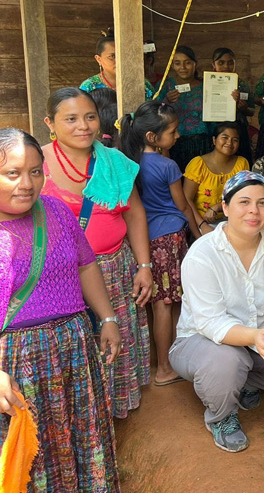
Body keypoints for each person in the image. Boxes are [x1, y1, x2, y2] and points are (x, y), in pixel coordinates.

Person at [0, 127, 121, 492]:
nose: (26, 184)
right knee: (29, 456)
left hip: (74, 348)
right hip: (14, 364)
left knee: (83, 438)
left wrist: (108, 318)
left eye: (35, 172)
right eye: (12, 173)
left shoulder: (54, 211)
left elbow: (85, 265)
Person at [169, 171, 264, 453]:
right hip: (202, 340)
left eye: (263, 203)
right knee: (227, 360)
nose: (254, 210)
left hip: (263, 331)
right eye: (244, 202)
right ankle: (221, 415)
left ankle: (243, 380)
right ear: (226, 207)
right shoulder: (202, 254)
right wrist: (253, 337)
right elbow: (211, 322)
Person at [41, 87, 152, 418]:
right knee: (74, 345)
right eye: (71, 119)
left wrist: (144, 265)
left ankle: (113, 407)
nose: (83, 126)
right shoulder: (37, 164)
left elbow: (135, 213)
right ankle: (79, 415)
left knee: (114, 338)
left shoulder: (115, 162)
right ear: (50, 123)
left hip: (114, 269)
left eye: (90, 117)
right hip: (59, 277)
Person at [120, 101, 202, 386]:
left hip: (143, 241)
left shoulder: (129, 164)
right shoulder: (168, 165)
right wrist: (199, 235)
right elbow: (183, 205)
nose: (178, 136)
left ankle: (161, 360)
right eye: (173, 131)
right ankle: (166, 368)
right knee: (167, 304)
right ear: (152, 137)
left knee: (157, 302)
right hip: (169, 240)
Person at [183, 122, 249, 234]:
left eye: (235, 140)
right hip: (201, 222)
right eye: (225, 137)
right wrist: (202, 225)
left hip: (233, 220)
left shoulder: (241, 163)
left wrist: (218, 206)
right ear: (214, 140)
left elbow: (243, 196)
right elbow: (186, 199)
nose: (229, 143)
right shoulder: (198, 164)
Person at [159, 46, 209, 171]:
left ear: (195, 64)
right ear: (172, 66)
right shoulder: (166, 85)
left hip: (202, 143)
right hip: (174, 143)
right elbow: (154, 111)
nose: (183, 67)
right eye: (177, 63)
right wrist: (166, 101)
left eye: (187, 63)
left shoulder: (206, 86)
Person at [79, 29, 155, 100]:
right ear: (99, 59)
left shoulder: (143, 84)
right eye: (112, 56)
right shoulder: (89, 87)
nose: (119, 61)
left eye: (123, 56)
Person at [212, 47, 255, 163]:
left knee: (239, 162)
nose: (226, 66)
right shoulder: (208, 84)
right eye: (221, 63)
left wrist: (243, 108)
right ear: (213, 65)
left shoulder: (242, 84)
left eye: (230, 63)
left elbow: (252, 111)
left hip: (238, 131)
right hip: (215, 130)